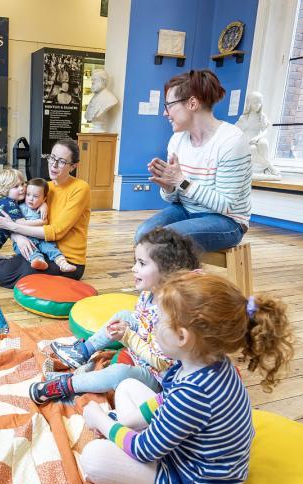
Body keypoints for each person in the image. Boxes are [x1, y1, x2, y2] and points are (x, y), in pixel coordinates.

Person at [79, 271, 294, 484]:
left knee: (93, 457)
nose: (153, 328)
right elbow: (163, 398)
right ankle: (127, 434)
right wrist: (123, 422)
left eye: (159, 322)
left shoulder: (194, 394)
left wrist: (101, 421)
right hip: (189, 456)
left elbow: (143, 449)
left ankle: (137, 462)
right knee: (126, 387)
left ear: (182, 337)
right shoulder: (206, 364)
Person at [30, 228, 200, 404]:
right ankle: (83, 351)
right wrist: (126, 330)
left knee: (118, 373)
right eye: (136, 261)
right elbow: (143, 325)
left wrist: (128, 337)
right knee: (125, 315)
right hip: (144, 353)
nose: (133, 268)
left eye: (142, 263)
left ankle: (67, 385)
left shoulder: (171, 313)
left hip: (159, 377)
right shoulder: (148, 294)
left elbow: (161, 363)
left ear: (167, 272)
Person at [135, 70, 252, 252]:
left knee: (164, 241)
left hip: (227, 221)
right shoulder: (177, 140)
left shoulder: (232, 141)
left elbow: (226, 205)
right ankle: (150, 281)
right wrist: (169, 187)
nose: (165, 113)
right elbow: (174, 197)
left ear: (192, 103)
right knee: (143, 234)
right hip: (186, 210)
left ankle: (179, 280)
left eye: (169, 105)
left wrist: (180, 182)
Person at [0, 138, 91, 288]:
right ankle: (2, 262)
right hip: (40, 250)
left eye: (61, 161)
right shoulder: (43, 188)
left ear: (73, 166)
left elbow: (57, 232)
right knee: (3, 271)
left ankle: (4, 261)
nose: (54, 165)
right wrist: (18, 237)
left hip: (67, 260)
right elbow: (16, 214)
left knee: (5, 273)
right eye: (52, 158)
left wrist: (13, 228)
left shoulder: (81, 188)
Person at [14, 178, 77, 272]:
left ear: (44, 198)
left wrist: (43, 205)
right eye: (28, 195)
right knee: (28, 250)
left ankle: (63, 263)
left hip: (42, 238)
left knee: (51, 248)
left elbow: (45, 221)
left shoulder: (42, 207)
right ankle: (38, 260)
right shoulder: (20, 207)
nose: (31, 199)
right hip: (26, 239)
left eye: (35, 196)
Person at [235, 91, 278, 175]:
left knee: (264, 143)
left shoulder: (262, 116)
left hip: (257, 137)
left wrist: (258, 138)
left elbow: (265, 130)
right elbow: (237, 130)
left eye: (259, 103)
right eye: (255, 103)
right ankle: (269, 166)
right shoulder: (244, 118)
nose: (257, 105)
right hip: (248, 140)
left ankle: (263, 169)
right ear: (249, 103)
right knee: (252, 149)